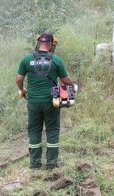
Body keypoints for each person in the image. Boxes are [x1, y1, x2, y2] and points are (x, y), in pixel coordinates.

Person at [16, 32, 77, 170]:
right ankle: (51, 164)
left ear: (39, 43)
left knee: (34, 131)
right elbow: (65, 80)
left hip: (33, 102)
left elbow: (19, 79)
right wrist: (73, 86)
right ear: (50, 44)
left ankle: (35, 163)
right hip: (52, 102)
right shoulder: (56, 60)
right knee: (53, 131)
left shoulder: (26, 60)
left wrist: (22, 90)